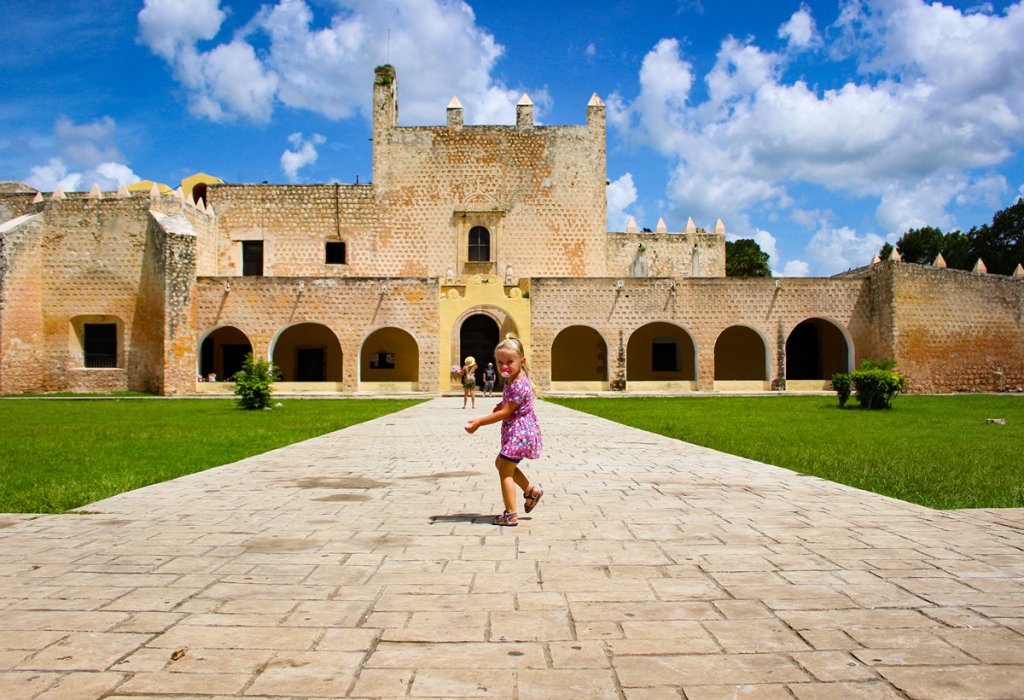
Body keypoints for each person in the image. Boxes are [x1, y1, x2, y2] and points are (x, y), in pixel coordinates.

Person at [464, 335, 543, 526]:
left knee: (505, 472)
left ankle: (510, 514)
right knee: (502, 463)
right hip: (520, 432)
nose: (504, 366)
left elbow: (508, 411)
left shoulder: (517, 383)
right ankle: (531, 491)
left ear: (521, 361)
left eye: (509, 362)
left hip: (519, 434)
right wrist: (502, 403)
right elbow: (511, 404)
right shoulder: (514, 379)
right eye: (500, 362)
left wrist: (479, 422)